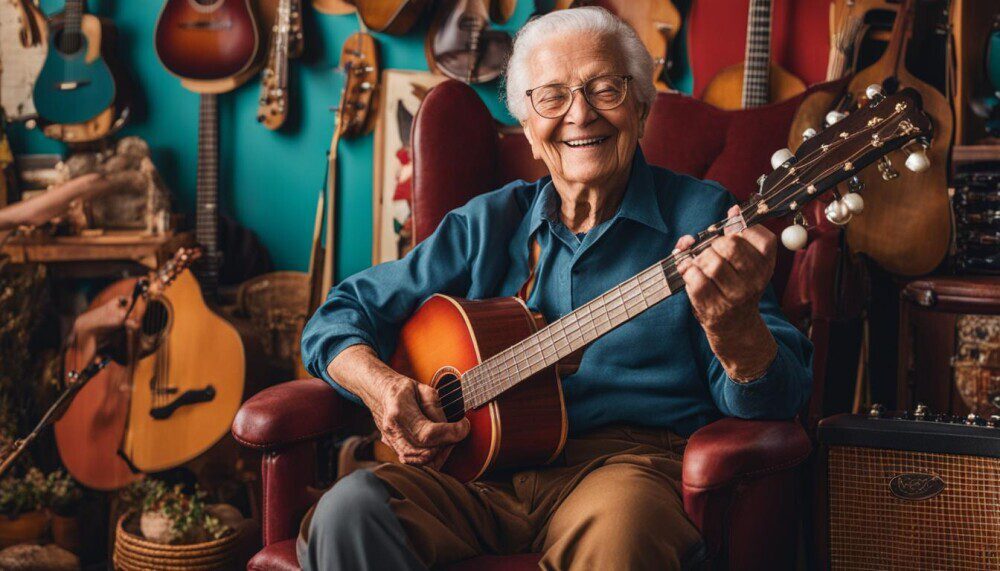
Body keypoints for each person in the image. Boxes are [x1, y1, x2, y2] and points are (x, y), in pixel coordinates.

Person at [299, 7, 813, 570]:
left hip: (625, 470)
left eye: (605, 89)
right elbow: (337, 315)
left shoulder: (707, 218)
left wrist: (735, 329)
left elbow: (776, 399)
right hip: (475, 476)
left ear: (641, 108)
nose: (580, 115)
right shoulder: (485, 224)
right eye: (552, 97)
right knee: (348, 508)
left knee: (625, 529)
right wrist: (383, 388)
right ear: (527, 126)